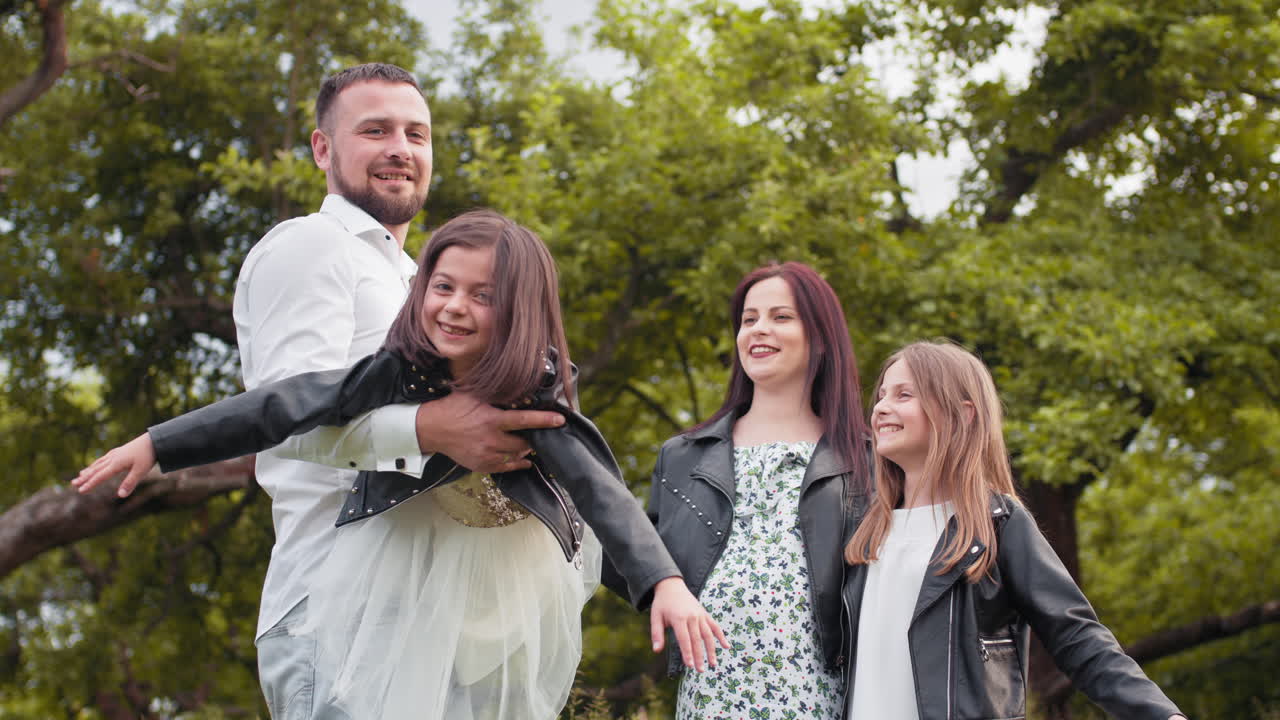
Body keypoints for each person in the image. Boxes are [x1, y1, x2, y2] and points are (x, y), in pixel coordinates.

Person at [75, 209, 726, 720]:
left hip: (505, 581)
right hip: (402, 567)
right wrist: (160, 444)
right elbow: (286, 403)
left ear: (520, 311)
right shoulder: (399, 370)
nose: (454, 306)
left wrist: (663, 585)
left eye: (483, 295)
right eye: (442, 286)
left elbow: (598, 493)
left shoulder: (532, 393)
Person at [138, 62, 565, 719]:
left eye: (416, 134)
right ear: (322, 148)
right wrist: (427, 432)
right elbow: (281, 417)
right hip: (339, 610)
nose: (400, 148)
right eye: (375, 130)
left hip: (441, 615)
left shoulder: (425, 278)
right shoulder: (312, 247)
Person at [842, 340, 1187, 720]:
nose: (880, 408)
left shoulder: (998, 526)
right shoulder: (861, 529)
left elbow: (1077, 637)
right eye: (881, 395)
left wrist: (1160, 715)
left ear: (962, 414)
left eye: (904, 394)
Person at [602, 262, 871, 719]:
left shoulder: (867, 461)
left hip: (822, 703)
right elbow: (633, 559)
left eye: (781, 317)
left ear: (821, 338)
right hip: (710, 701)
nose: (758, 330)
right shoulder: (683, 455)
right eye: (749, 319)